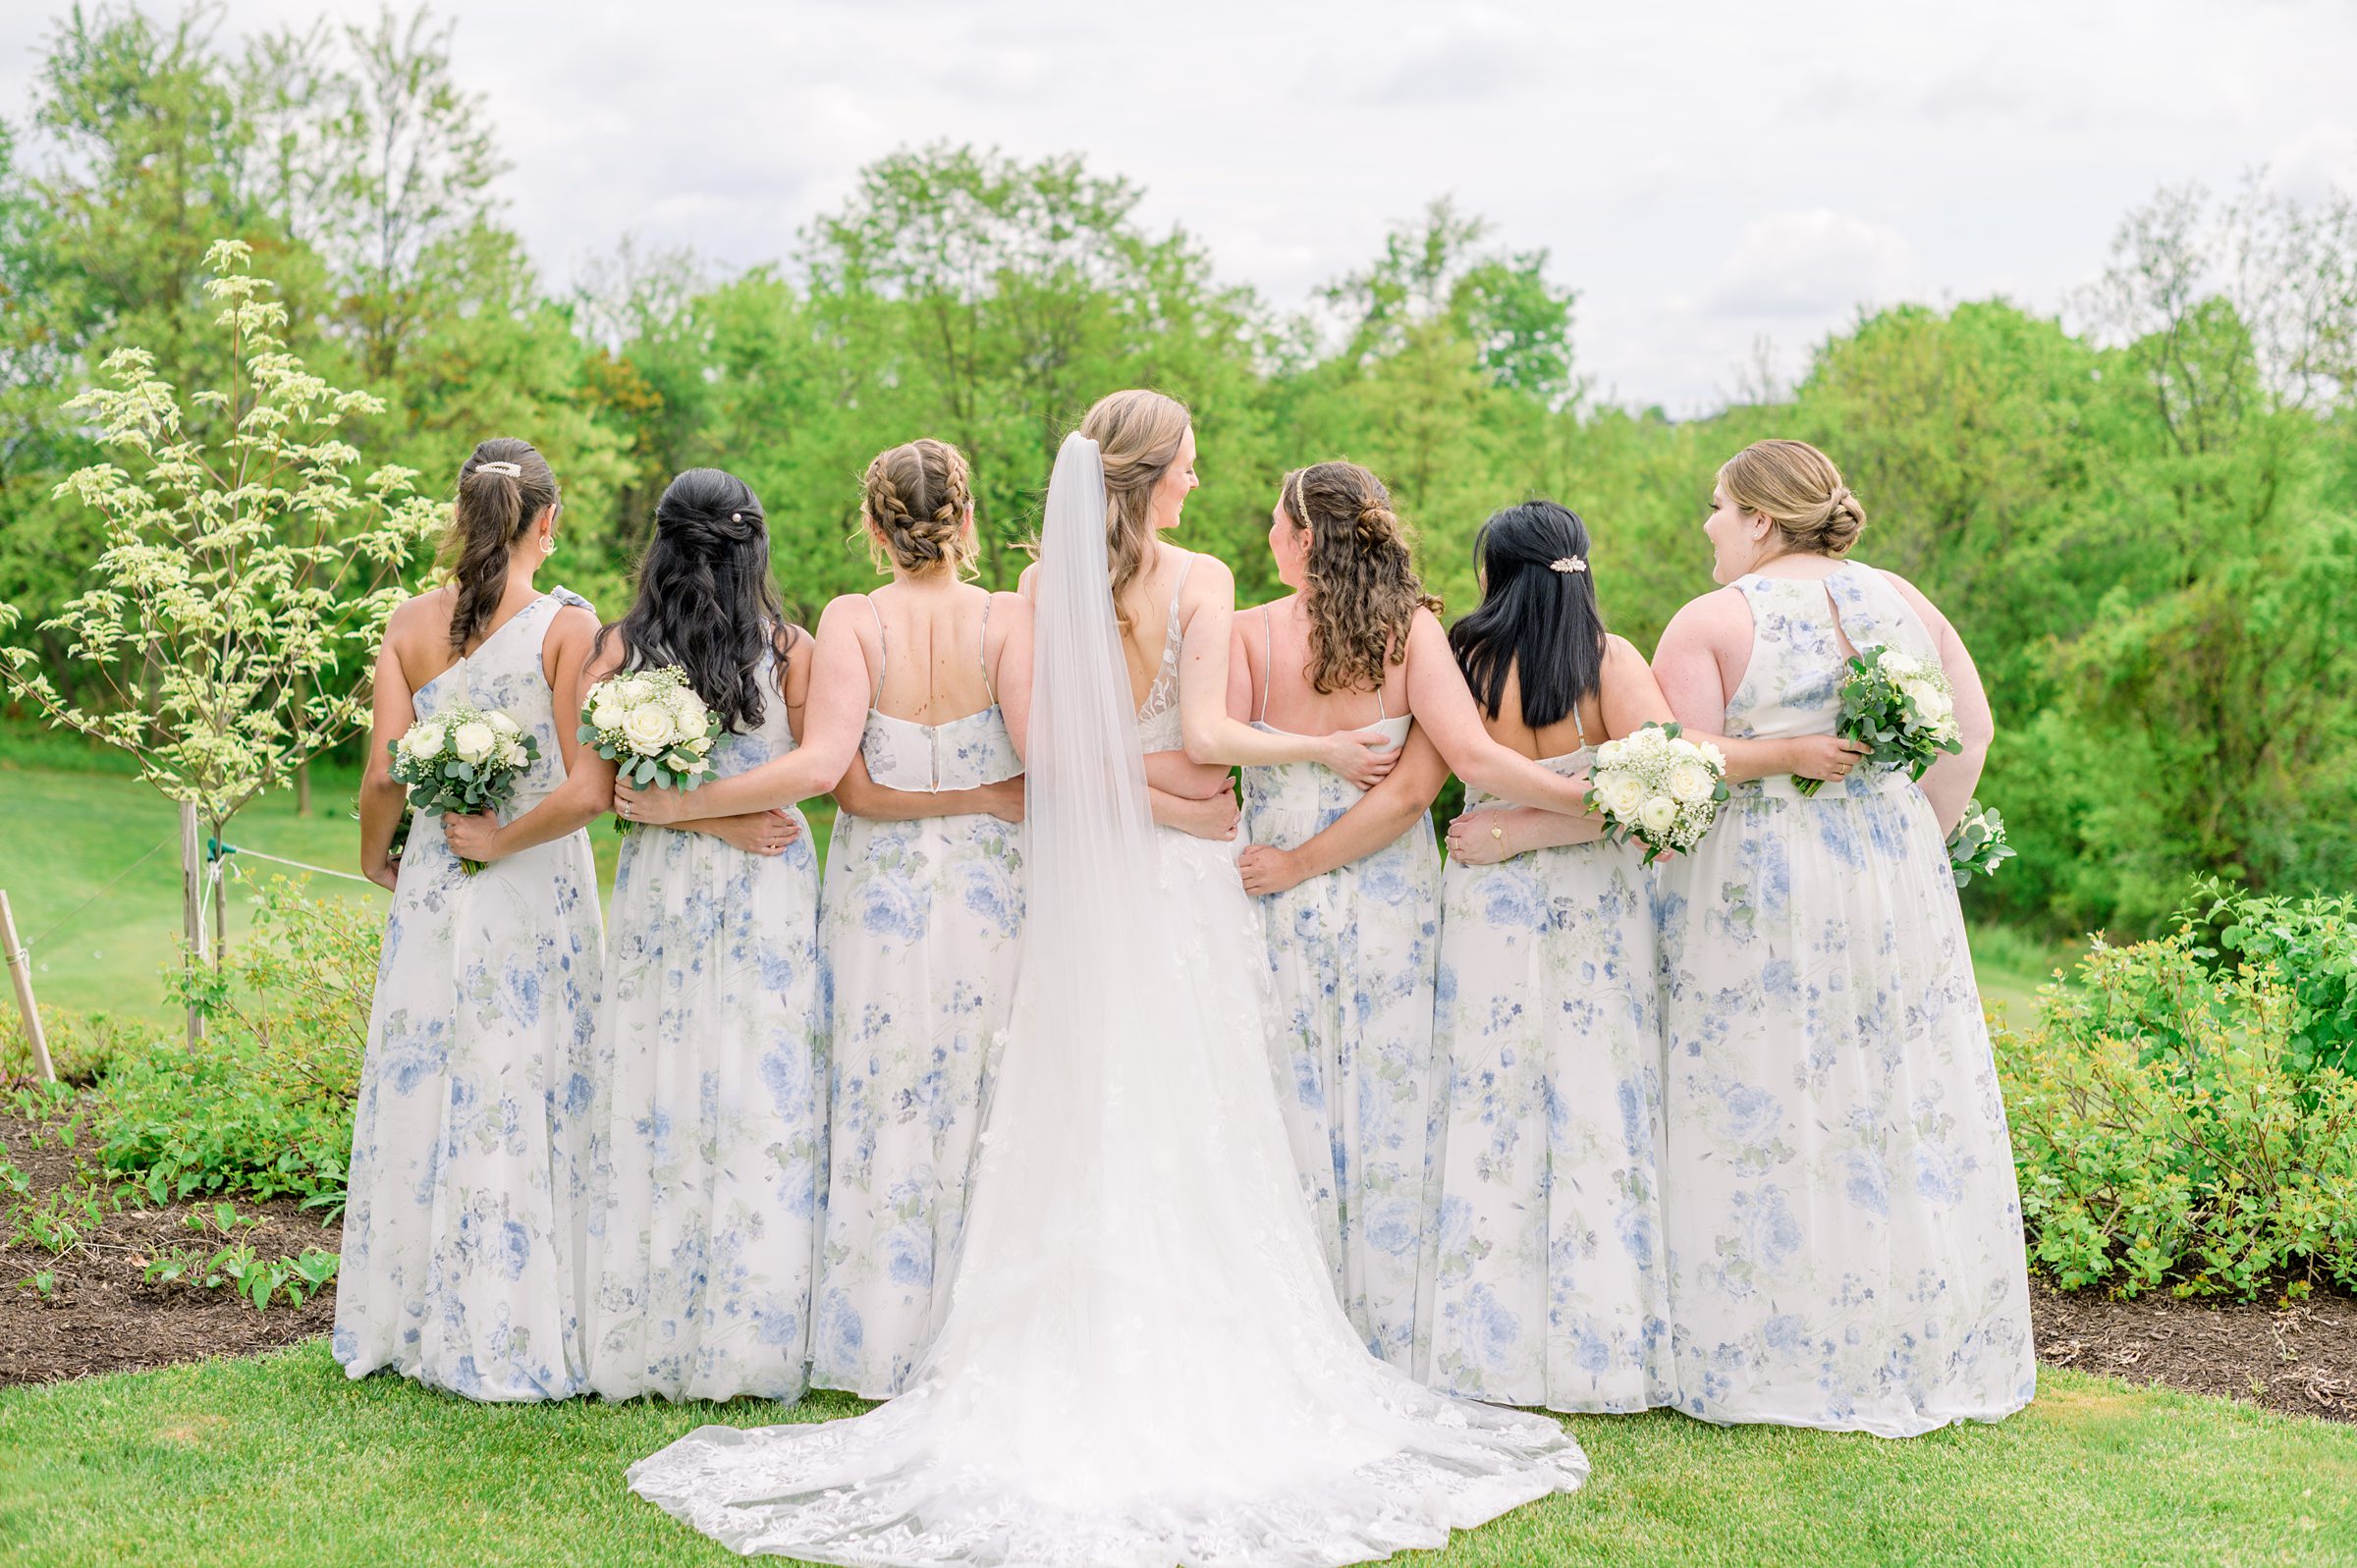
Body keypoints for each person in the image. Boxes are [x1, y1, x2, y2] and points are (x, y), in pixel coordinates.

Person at [625, 392, 1587, 1567]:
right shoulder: (1200, 578)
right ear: (1156, 470)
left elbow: (1053, 760)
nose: (1198, 477)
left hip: (1097, 877)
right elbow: (1202, 739)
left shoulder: (1045, 586)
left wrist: (1142, 787)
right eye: (1189, 461)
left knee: (1125, 1101)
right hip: (1177, 875)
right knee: (1168, 1101)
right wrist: (1211, 787)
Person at [1648, 437, 2035, 1435]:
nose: (1708, 525)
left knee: (1758, 1086)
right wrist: (1919, 844)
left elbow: (1675, 764)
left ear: (1761, 521)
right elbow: (1974, 728)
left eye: (1718, 508)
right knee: (1888, 1096)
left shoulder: (1710, 622)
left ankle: (1758, 1342)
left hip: (1753, 883)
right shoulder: (1901, 598)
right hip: (1888, 881)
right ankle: (1902, 1332)